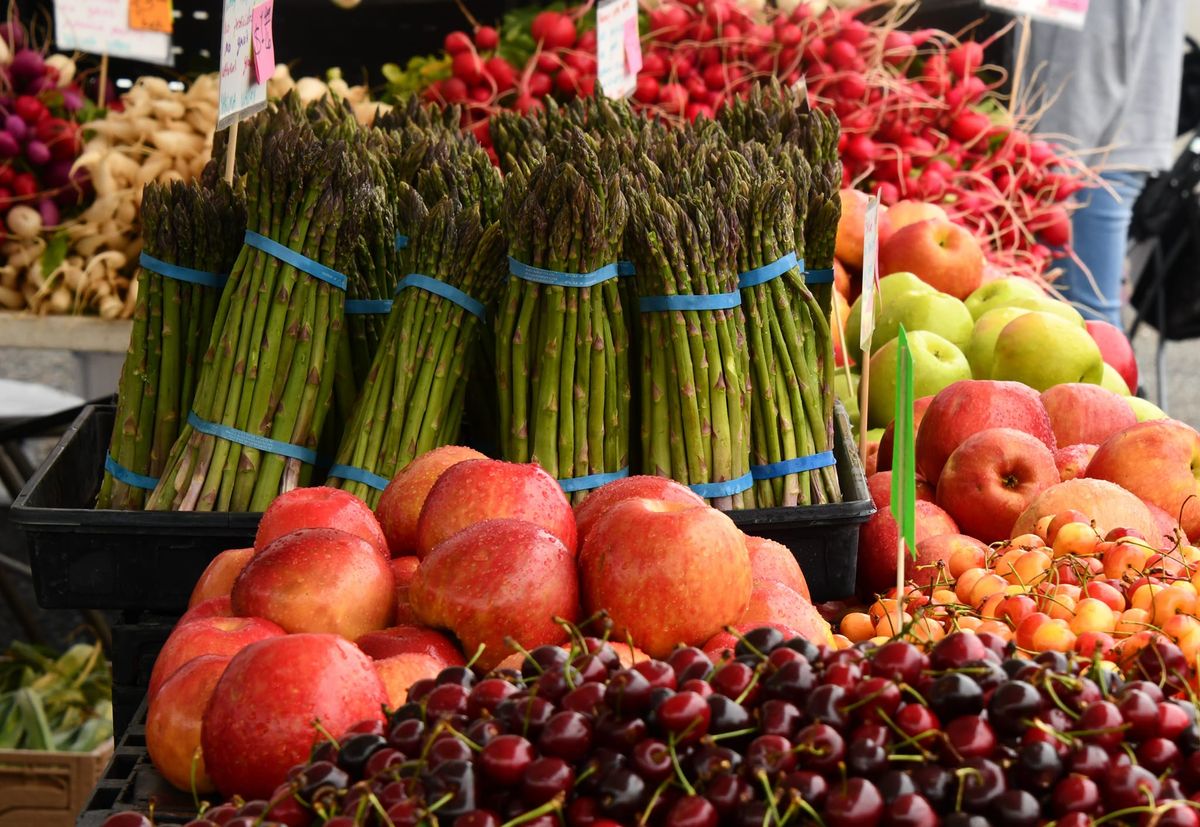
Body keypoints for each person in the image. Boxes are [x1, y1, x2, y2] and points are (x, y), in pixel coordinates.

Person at [1023, 0, 1185, 327]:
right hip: (1097, 143)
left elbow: (1092, 54)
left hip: (1089, 152)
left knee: (1086, 317)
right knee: (1085, 313)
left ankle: (1115, 380)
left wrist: (1058, 164)